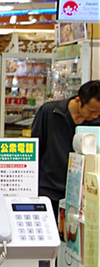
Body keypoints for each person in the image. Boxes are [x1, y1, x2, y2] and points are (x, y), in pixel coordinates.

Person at [31, 81, 100, 214]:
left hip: (83, 195)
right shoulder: (50, 112)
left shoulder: (97, 121)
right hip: (49, 191)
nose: (95, 116)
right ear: (78, 100)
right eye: (92, 111)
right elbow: (35, 150)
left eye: (99, 112)